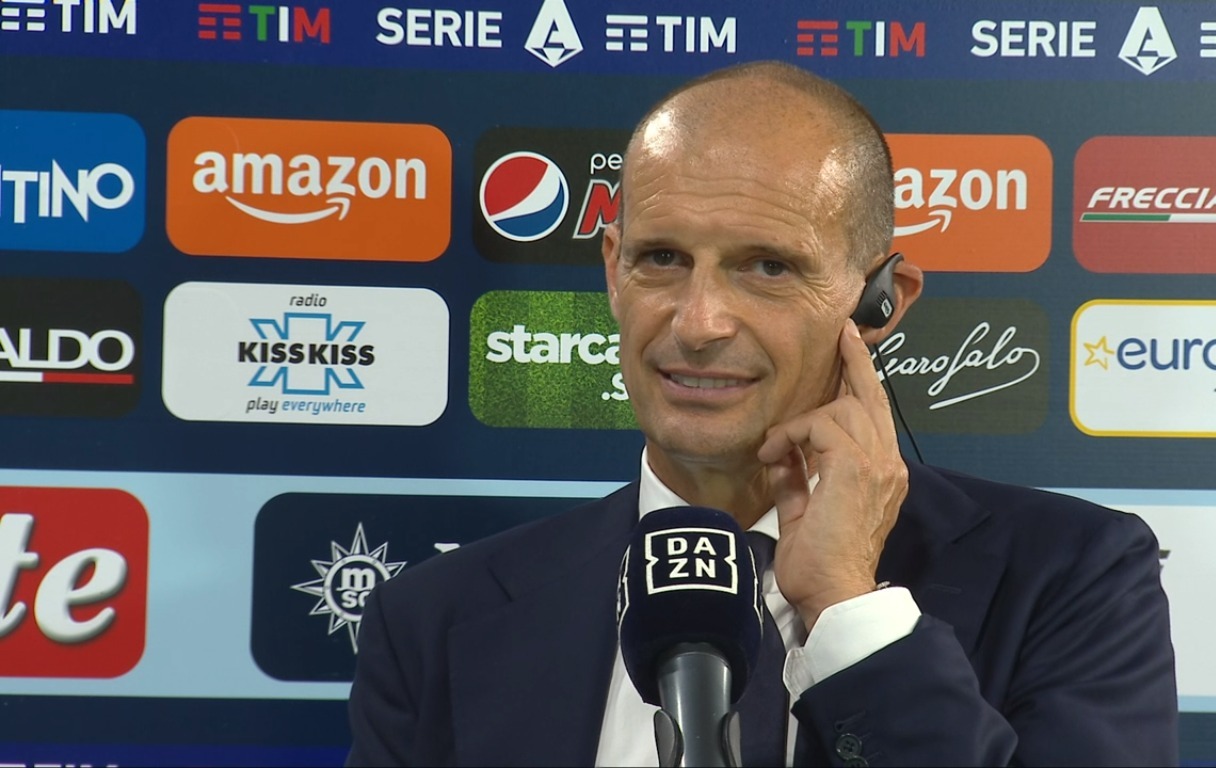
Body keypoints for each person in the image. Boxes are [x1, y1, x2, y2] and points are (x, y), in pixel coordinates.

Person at [346, 61, 1177, 766]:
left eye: (768, 268)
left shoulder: (1071, 579)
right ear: (612, 268)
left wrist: (849, 609)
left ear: (880, 303)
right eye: (662, 258)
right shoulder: (432, 621)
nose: (698, 322)